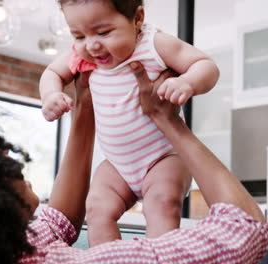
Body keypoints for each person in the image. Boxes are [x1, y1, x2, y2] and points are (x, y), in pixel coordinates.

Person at [0, 63, 268, 264]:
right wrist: (170, 125)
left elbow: (59, 219)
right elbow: (246, 230)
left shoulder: (10, 248)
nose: (9, 156)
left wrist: (84, 111)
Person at [39, 0, 220, 246]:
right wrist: (50, 95)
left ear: (137, 19)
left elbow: (206, 66)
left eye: (103, 32)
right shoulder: (84, 57)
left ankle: (160, 257)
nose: (92, 45)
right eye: (79, 35)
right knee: (97, 207)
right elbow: (52, 73)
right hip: (117, 164)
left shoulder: (154, 44)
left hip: (163, 157)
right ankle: (107, 259)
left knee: (161, 203)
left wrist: (187, 82)